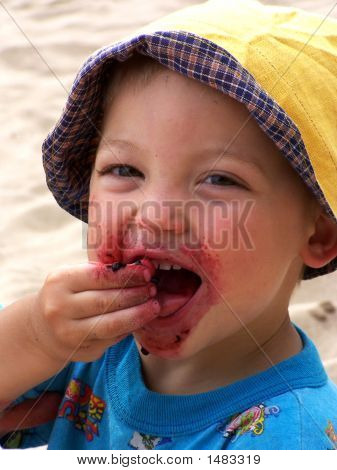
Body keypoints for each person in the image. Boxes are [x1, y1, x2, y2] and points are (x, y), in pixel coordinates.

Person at [1, 0, 337, 450]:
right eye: (125, 170)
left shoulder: (291, 439)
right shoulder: (87, 345)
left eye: (219, 179)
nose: (155, 213)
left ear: (318, 234)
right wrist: (33, 335)